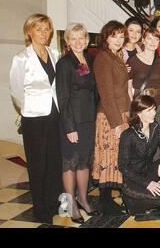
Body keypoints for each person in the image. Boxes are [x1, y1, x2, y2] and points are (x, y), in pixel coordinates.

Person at [10, 13, 63, 224]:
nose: (43, 33)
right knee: (37, 163)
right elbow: (16, 91)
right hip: (33, 118)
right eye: (38, 29)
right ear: (29, 32)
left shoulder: (54, 53)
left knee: (53, 162)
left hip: (54, 115)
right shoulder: (21, 58)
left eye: (46, 28)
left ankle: (53, 202)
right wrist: (28, 110)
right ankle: (40, 207)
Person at [56, 23, 99, 224]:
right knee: (70, 164)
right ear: (67, 42)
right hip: (72, 122)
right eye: (73, 38)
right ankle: (72, 203)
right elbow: (62, 98)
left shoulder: (89, 59)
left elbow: (92, 91)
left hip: (88, 120)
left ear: (87, 39)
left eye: (81, 37)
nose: (78, 42)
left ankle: (83, 198)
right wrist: (69, 127)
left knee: (84, 162)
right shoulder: (65, 63)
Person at [118, 94, 160, 221]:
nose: (154, 113)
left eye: (154, 109)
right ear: (138, 112)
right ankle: (134, 205)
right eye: (149, 110)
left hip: (148, 173)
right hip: (133, 182)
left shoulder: (154, 127)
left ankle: (159, 205)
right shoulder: (128, 135)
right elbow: (123, 166)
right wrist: (147, 183)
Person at [92, 20, 130, 215]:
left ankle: (110, 200)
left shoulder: (117, 56)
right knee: (107, 155)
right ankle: (105, 202)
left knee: (117, 156)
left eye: (121, 36)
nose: (118, 39)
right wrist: (116, 123)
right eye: (114, 35)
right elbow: (106, 93)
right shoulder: (103, 58)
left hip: (120, 113)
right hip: (109, 116)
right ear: (106, 37)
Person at [128, 28, 160, 133]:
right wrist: (132, 107)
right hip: (141, 105)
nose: (152, 42)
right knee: (141, 136)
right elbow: (129, 87)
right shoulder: (133, 61)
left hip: (158, 104)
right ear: (143, 40)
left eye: (156, 39)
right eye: (149, 38)